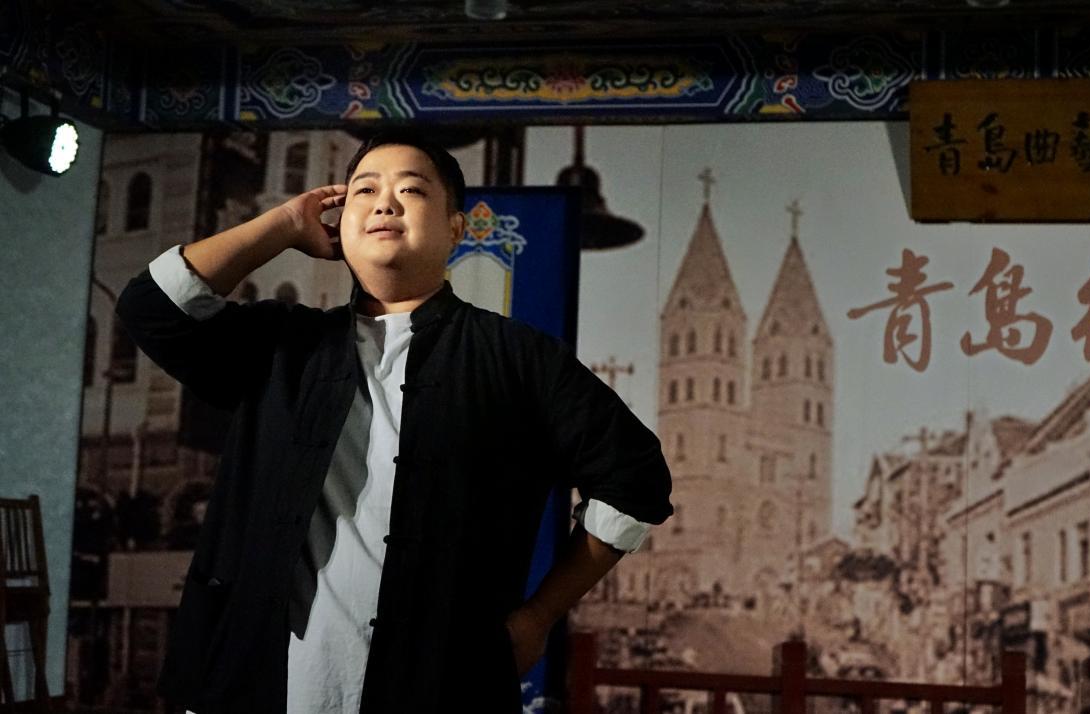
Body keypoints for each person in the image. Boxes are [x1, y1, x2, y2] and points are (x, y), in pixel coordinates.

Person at [116, 129, 673, 713]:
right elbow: (150, 308)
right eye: (364, 190)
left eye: (412, 190)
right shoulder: (282, 345)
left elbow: (635, 481)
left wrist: (539, 616)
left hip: (441, 686)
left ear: (455, 229)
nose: (385, 203)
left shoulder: (517, 358)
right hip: (253, 683)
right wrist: (282, 225)